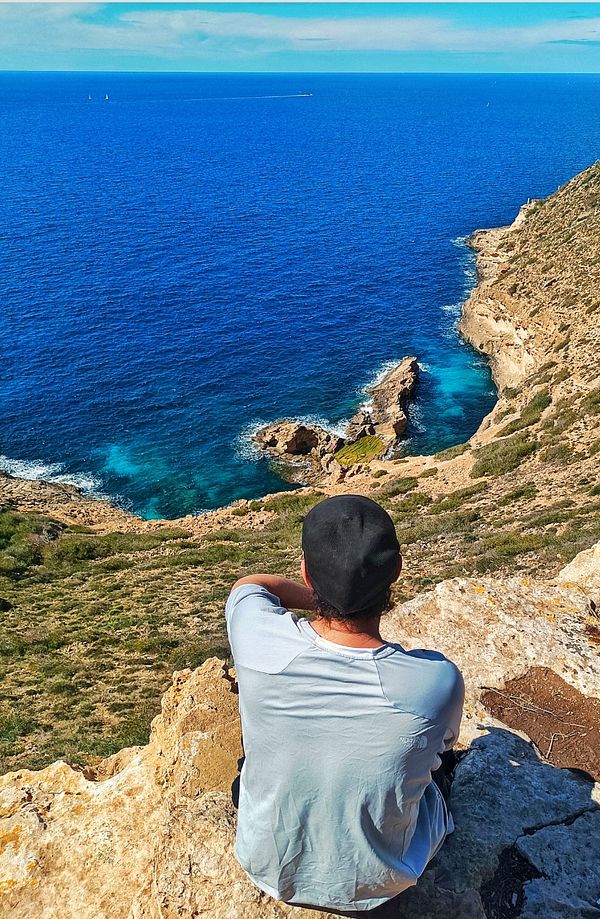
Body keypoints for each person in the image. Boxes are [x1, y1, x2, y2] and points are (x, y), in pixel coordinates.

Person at [225, 494, 464, 914]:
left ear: (306, 572)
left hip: (266, 864)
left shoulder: (255, 637)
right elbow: (440, 745)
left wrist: (319, 596)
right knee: (438, 766)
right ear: (397, 571)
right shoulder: (436, 681)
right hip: (383, 879)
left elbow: (250, 585)